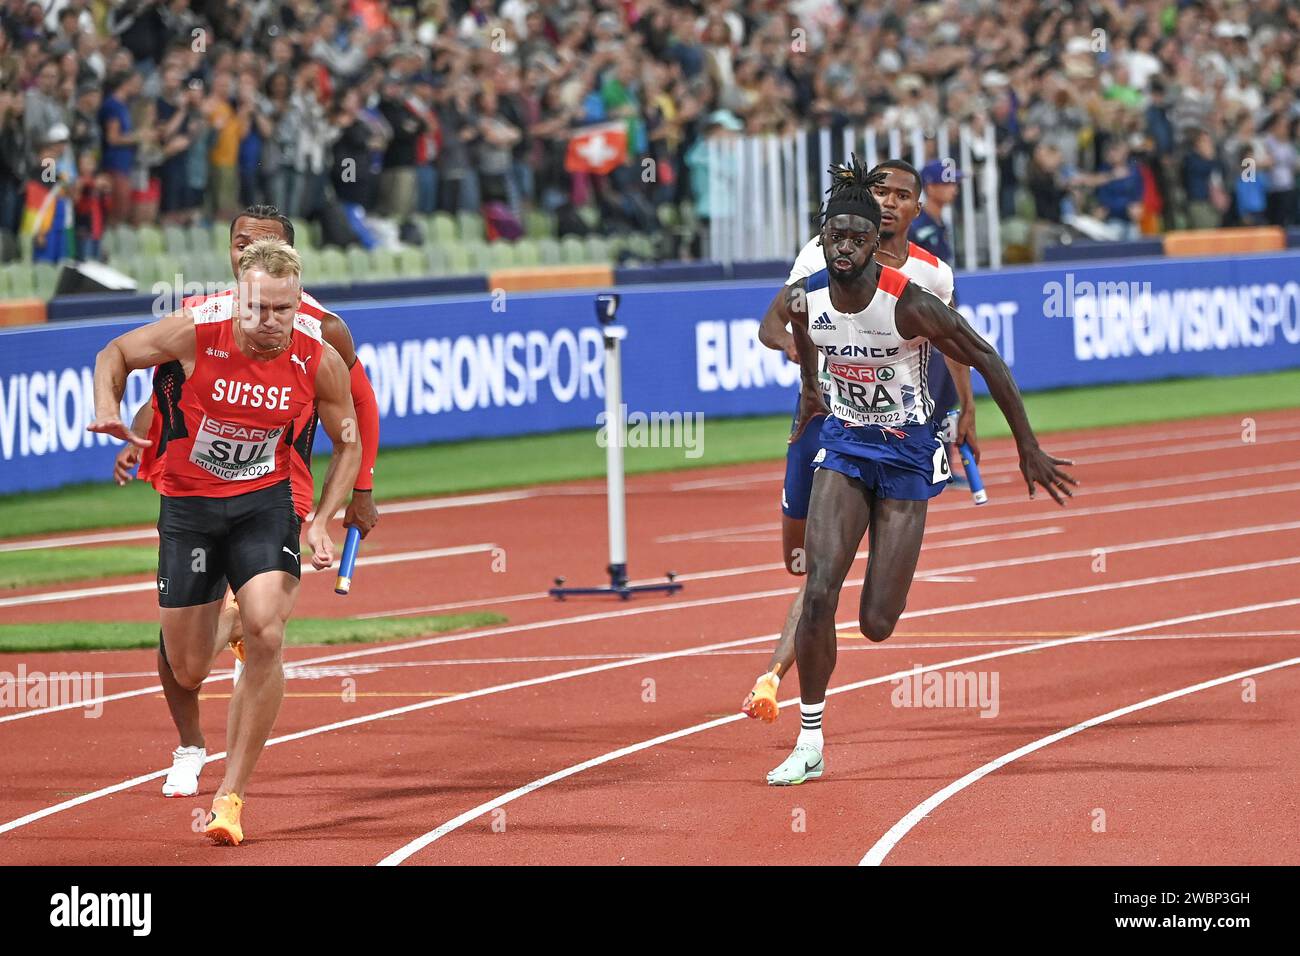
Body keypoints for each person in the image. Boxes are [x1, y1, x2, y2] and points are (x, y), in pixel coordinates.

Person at [763, 159, 1075, 785]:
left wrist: (1027, 446)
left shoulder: (911, 304)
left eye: (858, 238)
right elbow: (796, 339)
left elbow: (984, 357)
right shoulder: (806, 296)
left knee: (877, 622)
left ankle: (863, 629)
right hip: (847, 447)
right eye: (836, 238)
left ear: (873, 243)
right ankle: (810, 739)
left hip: (906, 453)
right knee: (820, 589)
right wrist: (810, 397)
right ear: (822, 240)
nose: (846, 248)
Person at [89, 237, 361, 845]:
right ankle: (227, 624)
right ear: (238, 298)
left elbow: (349, 440)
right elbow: (117, 352)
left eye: (283, 311)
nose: (270, 323)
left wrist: (322, 519)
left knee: (269, 629)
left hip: (264, 502)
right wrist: (109, 408)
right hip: (189, 507)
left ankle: (230, 797)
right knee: (187, 668)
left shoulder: (317, 358)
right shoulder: (193, 331)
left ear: (298, 304)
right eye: (258, 309)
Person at [743, 158, 978, 724]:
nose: (891, 201)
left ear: (916, 209)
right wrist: (806, 349)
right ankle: (785, 669)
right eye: (881, 191)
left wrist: (966, 407)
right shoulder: (821, 252)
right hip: (825, 421)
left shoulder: (932, 274)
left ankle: (775, 681)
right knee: (803, 565)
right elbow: (777, 321)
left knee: (836, 575)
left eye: (902, 194)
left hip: (898, 434)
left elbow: (953, 343)